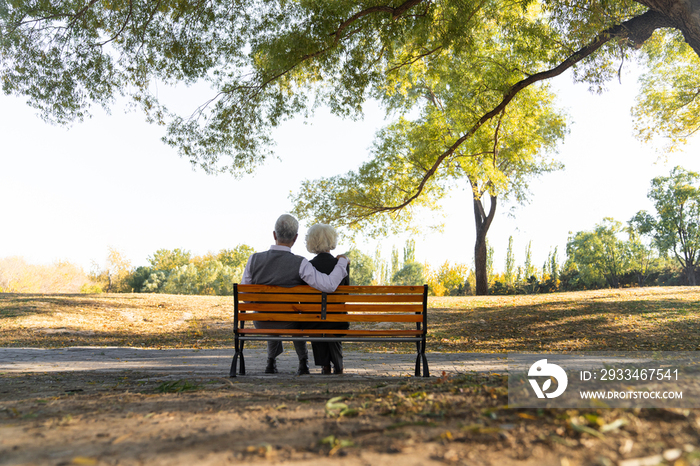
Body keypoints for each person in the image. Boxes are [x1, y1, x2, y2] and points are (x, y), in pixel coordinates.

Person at [241, 214, 349, 375]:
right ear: (296, 238)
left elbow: (245, 296)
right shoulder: (300, 263)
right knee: (297, 316)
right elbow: (329, 285)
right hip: (289, 323)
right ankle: (303, 362)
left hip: (261, 322)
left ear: (274, 235)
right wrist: (342, 263)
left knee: (270, 313)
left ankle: (271, 362)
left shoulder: (253, 259)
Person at [304, 223, 349, 375]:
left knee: (316, 321)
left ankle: (325, 366)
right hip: (338, 321)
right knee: (332, 319)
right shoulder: (341, 266)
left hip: (314, 320)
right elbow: (346, 294)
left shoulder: (308, 266)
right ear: (332, 240)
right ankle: (338, 364)